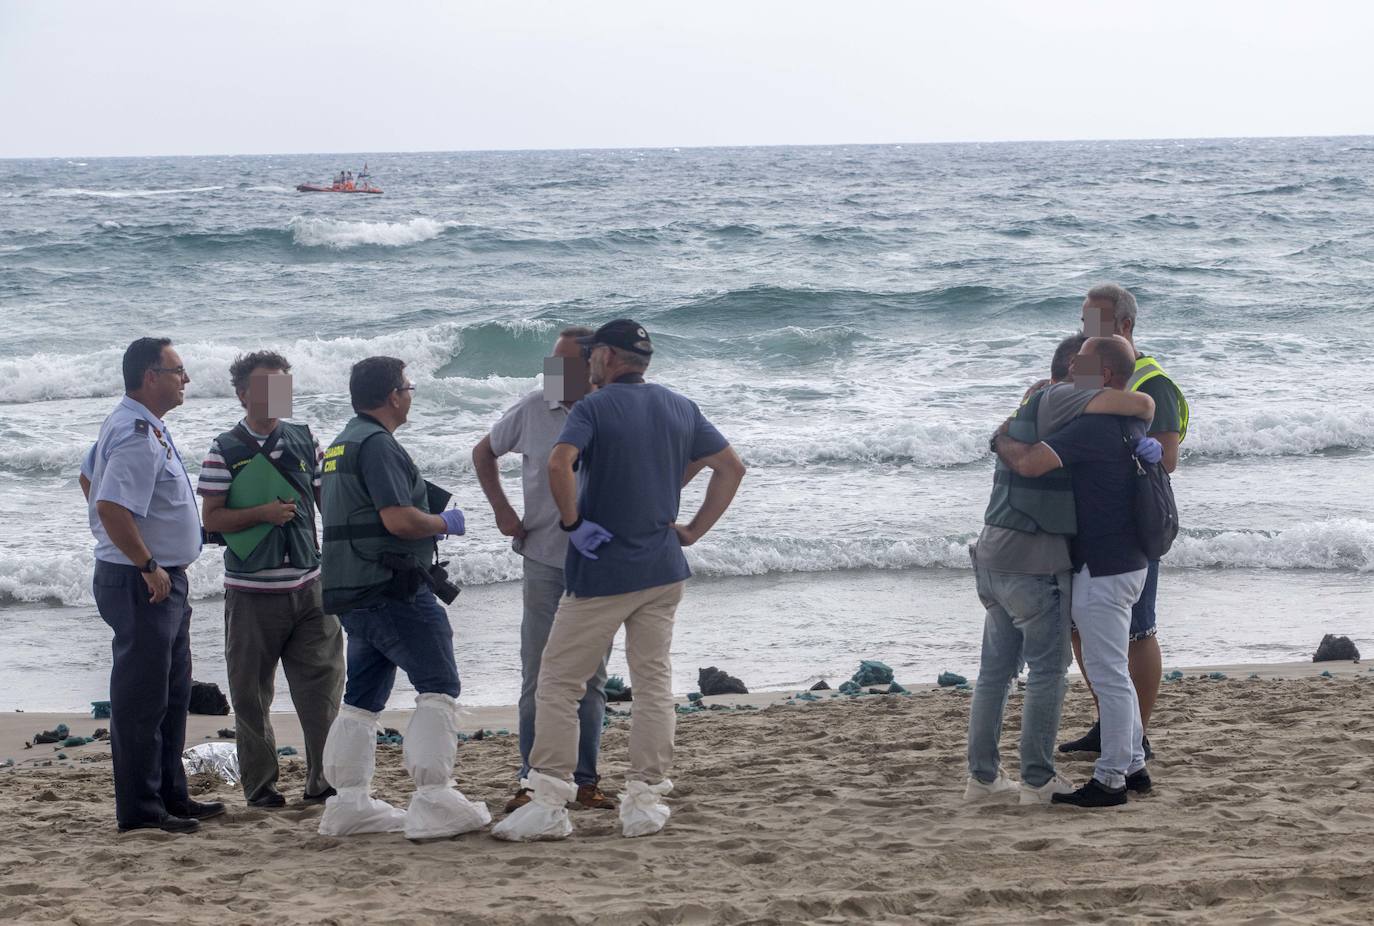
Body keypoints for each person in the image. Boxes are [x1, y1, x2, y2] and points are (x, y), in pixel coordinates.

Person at [492, 319, 746, 842]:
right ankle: (644, 798)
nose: (585, 367)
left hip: (604, 573)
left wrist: (572, 524)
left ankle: (548, 799)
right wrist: (693, 529)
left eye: (591, 357)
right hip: (662, 569)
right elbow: (731, 467)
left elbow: (560, 465)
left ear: (607, 356)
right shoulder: (679, 405)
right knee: (653, 683)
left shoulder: (593, 407)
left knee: (558, 682)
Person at [965, 333, 1155, 805]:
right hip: (1035, 563)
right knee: (1050, 672)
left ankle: (984, 779)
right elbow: (1144, 402)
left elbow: (1141, 402)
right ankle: (1036, 779)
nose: (1078, 370)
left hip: (990, 554)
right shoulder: (1070, 399)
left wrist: (1000, 435)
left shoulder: (1030, 403)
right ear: (1074, 373)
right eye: (1077, 364)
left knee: (994, 673)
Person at [315, 356, 489, 841]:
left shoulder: (339, 446)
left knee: (362, 699)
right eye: (408, 387)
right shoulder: (377, 445)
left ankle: (349, 803)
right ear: (393, 396)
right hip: (393, 589)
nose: (411, 394)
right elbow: (398, 520)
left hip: (353, 591)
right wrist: (444, 523)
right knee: (439, 685)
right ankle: (434, 798)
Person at [79, 337, 224, 833]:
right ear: (150, 376)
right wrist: (143, 561)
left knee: (173, 693)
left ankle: (171, 797)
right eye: (178, 370)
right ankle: (142, 813)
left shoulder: (137, 424)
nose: (186, 379)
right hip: (143, 582)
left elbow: (88, 476)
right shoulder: (137, 432)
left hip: (160, 579)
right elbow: (109, 505)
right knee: (143, 702)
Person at [472, 326, 618, 814]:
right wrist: (502, 511)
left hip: (597, 566)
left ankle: (584, 779)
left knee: (591, 678)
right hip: (543, 560)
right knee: (537, 674)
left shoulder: (611, 410)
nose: (552, 373)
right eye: (550, 363)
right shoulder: (534, 407)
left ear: (593, 363)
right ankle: (531, 779)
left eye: (565, 364)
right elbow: (483, 452)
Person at [196, 351, 344, 809]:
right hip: (251, 593)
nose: (277, 395)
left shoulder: (305, 439)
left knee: (322, 691)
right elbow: (211, 520)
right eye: (264, 387)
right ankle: (261, 790)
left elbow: (329, 504)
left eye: (283, 385)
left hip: (310, 585)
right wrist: (262, 513)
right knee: (250, 697)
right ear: (243, 395)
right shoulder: (224, 448)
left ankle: (323, 782)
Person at [1059, 284, 1189, 759]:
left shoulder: (1151, 381)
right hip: (1086, 521)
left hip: (1133, 524)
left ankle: (1138, 733)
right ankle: (1111, 722)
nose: (1084, 333)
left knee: (1139, 629)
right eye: (1082, 323)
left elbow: (1167, 459)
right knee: (1082, 627)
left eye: (1093, 324)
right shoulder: (1086, 372)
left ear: (1125, 326)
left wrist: (1135, 450)